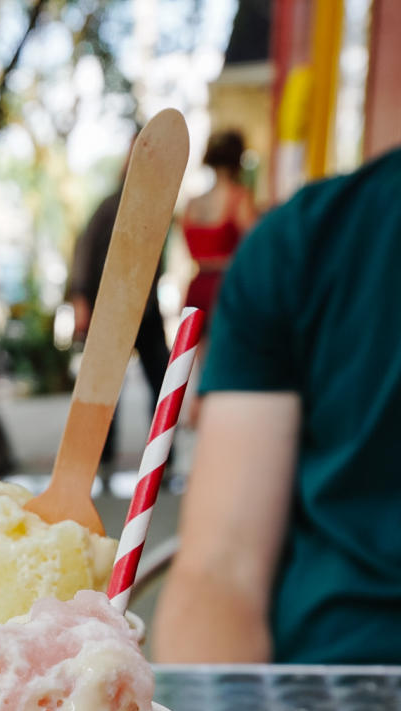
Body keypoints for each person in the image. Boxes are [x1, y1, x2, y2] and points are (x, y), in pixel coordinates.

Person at [154, 146, 401, 665]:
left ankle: (211, 402)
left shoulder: (203, 207)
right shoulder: (263, 218)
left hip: (203, 286)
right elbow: (220, 569)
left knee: (204, 372)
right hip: (226, 284)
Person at [66, 136, 170, 465]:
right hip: (111, 309)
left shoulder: (157, 204)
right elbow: (83, 252)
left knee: (162, 383)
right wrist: (81, 299)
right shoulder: (110, 204)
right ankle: (102, 456)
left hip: (146, 310)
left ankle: (162, 458)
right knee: (107, 389)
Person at [181, 129, 257, 330]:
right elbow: (255, 247)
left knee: (192, 359)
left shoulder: (191, 203)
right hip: (226, 288)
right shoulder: (239, 198)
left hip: (196, 287)